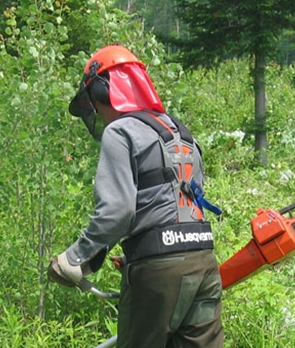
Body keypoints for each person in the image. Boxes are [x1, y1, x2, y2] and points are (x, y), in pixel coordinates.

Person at [48, 44, 224, 348]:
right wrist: (137, 249)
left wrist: (75, 257)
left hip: (159, 275)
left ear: (105, 93)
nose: (97, 113)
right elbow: (178, 204)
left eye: (94, 103)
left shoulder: (120, 132)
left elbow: (117, 210)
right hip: (204, 261)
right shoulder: (180, 132)